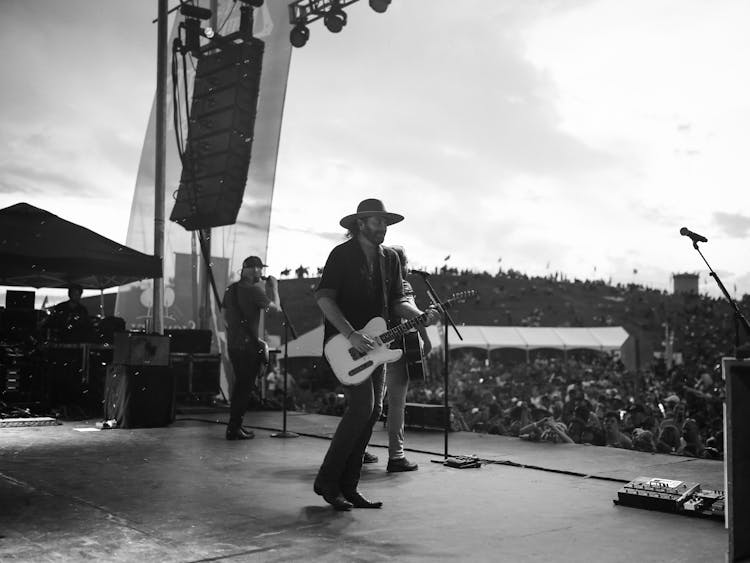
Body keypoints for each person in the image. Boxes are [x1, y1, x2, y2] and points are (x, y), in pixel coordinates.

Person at [313, 198, 438, 511]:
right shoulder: (341, 255)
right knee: (362, 407)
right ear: (360, 223)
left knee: (372, 410)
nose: (383, 227)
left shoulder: (390, 258)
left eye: (385, 222)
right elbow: (325, 300)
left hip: (379, 345)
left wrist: (419, 314)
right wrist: (352, 334)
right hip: (345, 343)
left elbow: (397, 301)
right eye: (376, 221)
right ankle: (327, 482)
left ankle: (349, 486)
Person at [382, 245, 432, 472]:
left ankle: (359, 451)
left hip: (376, 347)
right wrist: (425, 337)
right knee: (396, 405)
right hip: (397, 350)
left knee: (370, 404)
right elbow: (413, 314)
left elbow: (413, 316)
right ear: (401, 266)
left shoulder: (378, 285)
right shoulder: (403, 286)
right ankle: (396, 455)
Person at [223, 256, 281, 440]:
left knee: (240, 386)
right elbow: (276, 310)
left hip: (233, 345)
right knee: (244, 388)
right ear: (254, 270)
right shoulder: (254, 291)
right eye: (259, 269)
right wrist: (275, 289)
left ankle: (236, 426)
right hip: (247, 347)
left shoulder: (231, 289)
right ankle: (234, 428)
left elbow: (223, 317)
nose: (261, 273)